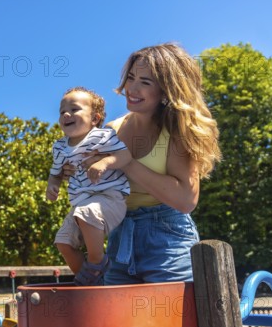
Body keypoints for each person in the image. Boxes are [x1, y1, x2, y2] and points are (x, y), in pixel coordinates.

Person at [78, 43, 222, 285]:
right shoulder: (112, 130)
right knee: (118, 321)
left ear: (166, 90)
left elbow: (186, 200)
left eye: (145, 82)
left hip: (167, 239)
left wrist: (128, 164)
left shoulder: (176, 131)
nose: (131, 88)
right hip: (120, 237)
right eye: (131, 77)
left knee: (171, 320)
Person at [47, 87, 132, 286]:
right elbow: (55, 172)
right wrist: (53, 185)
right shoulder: (60, 146)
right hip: (80, 204)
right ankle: (89, 282)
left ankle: (97, 261)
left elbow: (125, 156)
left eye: (74, 109)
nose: (66, 114)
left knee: (87, 212)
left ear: (95, 118)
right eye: (62, 111)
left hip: (110, 198)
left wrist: (104, 163)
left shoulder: (102, 136)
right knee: (63, 241)